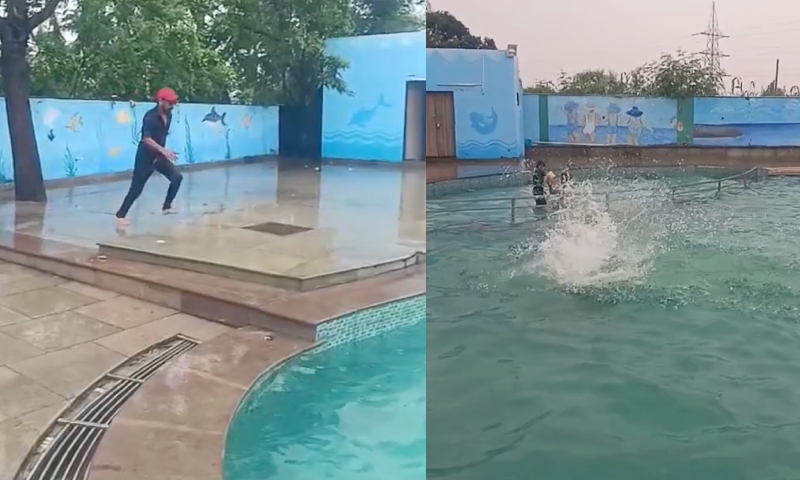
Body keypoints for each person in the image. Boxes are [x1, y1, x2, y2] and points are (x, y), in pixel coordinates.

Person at [115, 87, 182, 227]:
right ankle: (120, 216)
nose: (172, 106)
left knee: (177, 177)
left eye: (173, 103)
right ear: (160, 101)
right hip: (145, 156)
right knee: (137, 188)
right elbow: (146, 139)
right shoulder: (150, 117)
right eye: (170, 103)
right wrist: (163, 150)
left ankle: (167, 206)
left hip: (159, 156)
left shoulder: (169, 115)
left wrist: (163, 152)